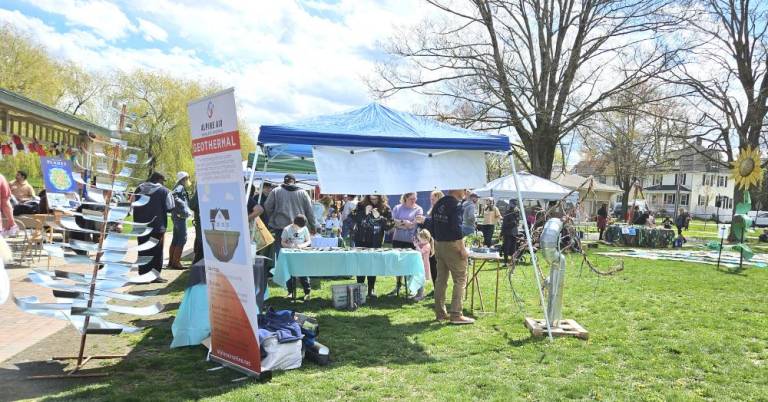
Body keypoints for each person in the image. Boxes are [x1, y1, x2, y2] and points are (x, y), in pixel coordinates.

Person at [263, 174, 316, 294]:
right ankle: (307, 289)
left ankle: (290, 290)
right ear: (294, 182)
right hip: (300, 231)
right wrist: (313, 226)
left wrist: (273, 218)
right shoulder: (303, 193)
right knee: (301, 260)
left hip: (281, 229)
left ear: (284, 181)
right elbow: (309, 211)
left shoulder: (276, 191)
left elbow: (267, 206)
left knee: (284, 260)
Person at [429, 189, 474, 325]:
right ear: (457, 189)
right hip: (451, 245)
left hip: (439, 244)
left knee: (441, 280)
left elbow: (432, 224)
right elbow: (456, 229)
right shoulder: (456, 205)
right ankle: (456, 314)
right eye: (464, 188)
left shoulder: (439, 203)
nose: (466, 191)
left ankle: (440, 314)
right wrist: (462, 249)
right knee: (460, 278)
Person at [133, 172, 174, 283]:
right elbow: (170, 207)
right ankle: (154, 275)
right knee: (156, 251)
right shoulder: (164, 191)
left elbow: (132, 204)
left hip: (140, 225)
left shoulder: (138, 189)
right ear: (159, 179)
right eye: (162, 180)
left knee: (143, 250)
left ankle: (143, 274)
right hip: (157, 225)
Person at [351, 195, 393, 298]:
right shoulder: (360, 205)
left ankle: (371, 289)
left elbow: (389, 225)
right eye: (371, 199)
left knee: (372, 265)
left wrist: (379, 217)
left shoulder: (385, 208)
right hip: (361, 239)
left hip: (375, 241)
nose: (373, 201)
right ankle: (360, 288)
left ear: (380, 198)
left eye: (376, 199)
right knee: (361, 265)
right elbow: (352, 217)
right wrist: (364, 212)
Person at [389, 192, 423, 296]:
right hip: (398, 240)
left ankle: (412, 288)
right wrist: (405, 223)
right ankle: (398, 285)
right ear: (405, 198)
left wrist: (402, 224)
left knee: (411, 265)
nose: (414, 201)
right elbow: (392, 222)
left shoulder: (418, 209)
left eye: (415, 198)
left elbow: (414, 225)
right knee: (397, 264)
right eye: (411, 199)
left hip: (411, 241)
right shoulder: (397, 208)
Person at [280, 214, 312, 300]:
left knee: (303, 273)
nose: (299, 229)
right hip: (290, 254)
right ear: (294, 223)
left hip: (301, 254)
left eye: (301, 227)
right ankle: (290, 292)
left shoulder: (304, 229)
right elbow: (282, 242)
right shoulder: (287, 229)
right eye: (298, 227)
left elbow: (308, 240)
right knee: (289, 273)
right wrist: (289, 246)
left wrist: (302, 245)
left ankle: (307, 292)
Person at [168, 172, 192, 269]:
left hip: (176, 216)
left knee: (176, 238)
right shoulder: (180, 187)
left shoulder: (177, 186)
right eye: (186, 178)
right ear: (183, 179)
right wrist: (184, 206)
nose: (187, 180)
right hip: (180, 216)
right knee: (182, 238)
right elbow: (173, 196)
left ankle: (172, 262)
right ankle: (176, 263)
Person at [412, 228, 434, 301]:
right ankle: (418, 294)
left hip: (424, 265)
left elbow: (420, 252)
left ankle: (421, 295)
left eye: (420, 239)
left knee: (421, 280)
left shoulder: (427, 245)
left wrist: (417, 246)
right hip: (420, 264)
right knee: (418, 279)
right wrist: (416, 243)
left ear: (426, 238)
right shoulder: (422, 243)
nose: (419, 241)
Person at [501, 200, 520, 266]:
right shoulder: (507, 212)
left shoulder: (516, 212)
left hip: (513, 233)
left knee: (513, 248)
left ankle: (512, 262)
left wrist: (514, 221)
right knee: (506, 247)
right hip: (507, 232)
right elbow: (504, 223)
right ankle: (506, 262)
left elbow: (517, 222)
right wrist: (501, 232)